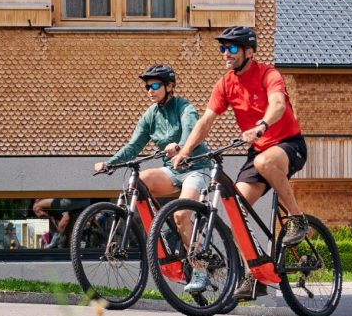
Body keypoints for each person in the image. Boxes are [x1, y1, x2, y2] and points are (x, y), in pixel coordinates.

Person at [171, 25, 309, 300]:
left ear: (249, 51)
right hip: (257, 153)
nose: (226, 53)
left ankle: (296, 219)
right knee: (236, 213)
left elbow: (278, 104)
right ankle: (254, 274)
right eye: (223, 48)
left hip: (288, 145)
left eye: (232, 48)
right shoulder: (225, 84)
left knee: (265, 163)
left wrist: (262, 124)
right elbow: (206, 121)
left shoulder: (268, 74)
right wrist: (185, 151)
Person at [95, 65, 212, 291]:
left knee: (181, 215)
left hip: (196, 167)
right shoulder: (151, 114)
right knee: (140, 181)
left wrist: (180, 146)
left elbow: (191, 129)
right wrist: (110, 163)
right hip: (171, 171)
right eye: (147, 86)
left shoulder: (183, 107)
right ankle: (162, 231)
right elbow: (134, 145)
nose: (150, 90)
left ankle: (200, 270)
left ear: (170, 87)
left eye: (155, 85)